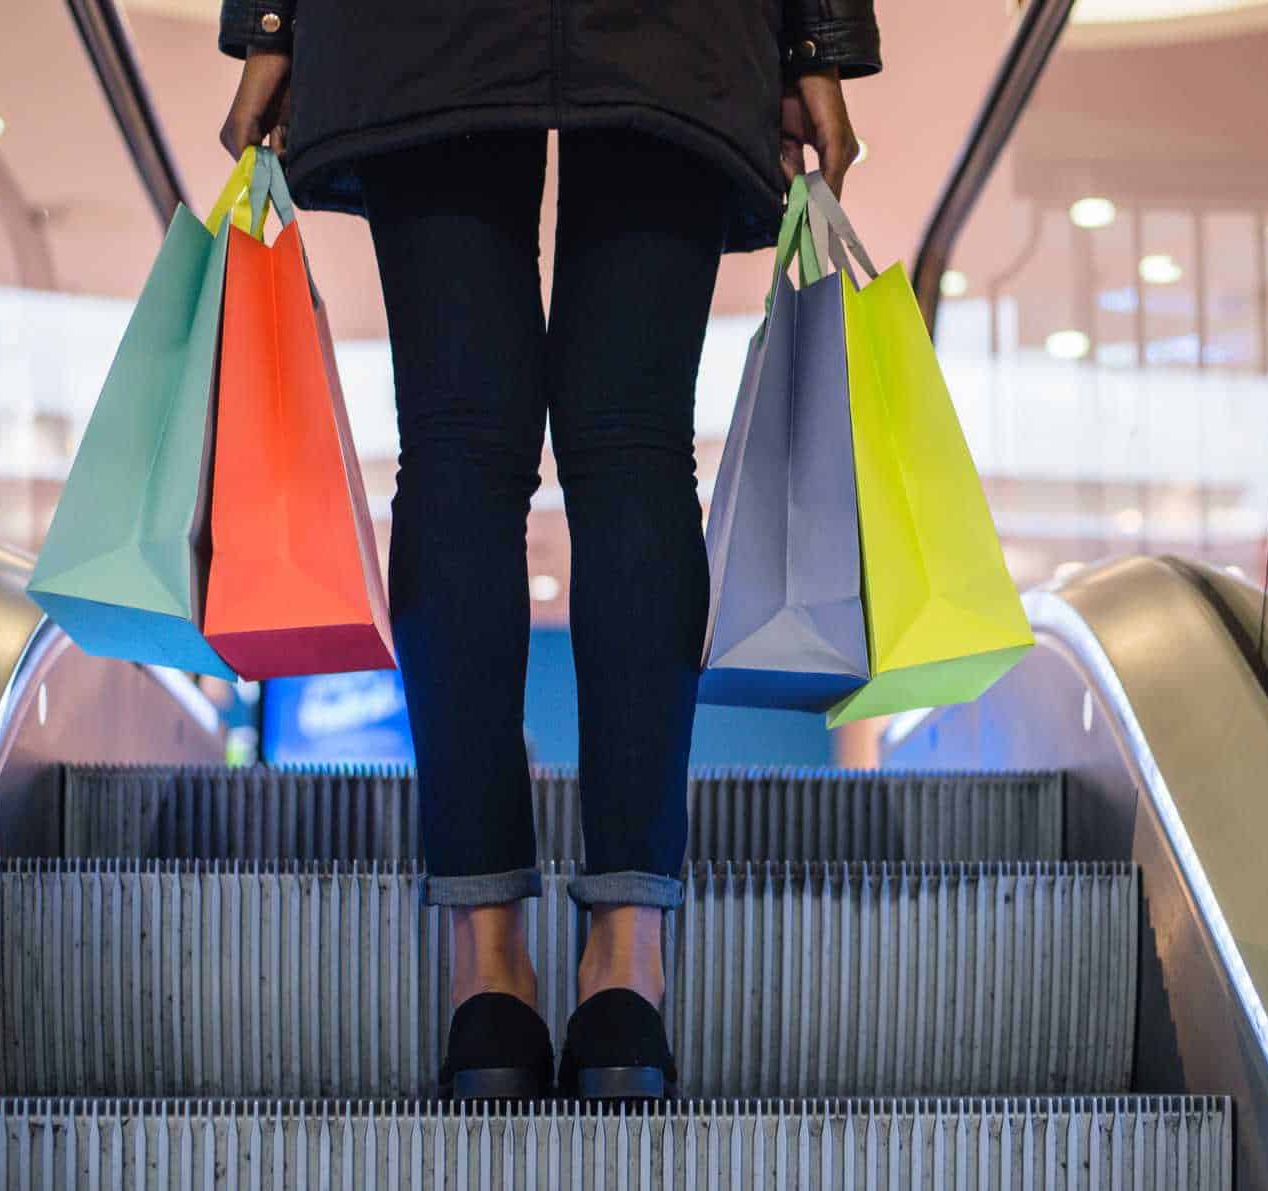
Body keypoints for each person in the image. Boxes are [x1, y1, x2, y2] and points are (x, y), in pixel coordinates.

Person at [216, 0, 879, 1100]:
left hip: (418, 36)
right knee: (635, 450)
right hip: (677, 33)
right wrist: (814, 37)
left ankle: (487, 979)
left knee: (456, 452)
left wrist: (275, 24)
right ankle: (627, 973)